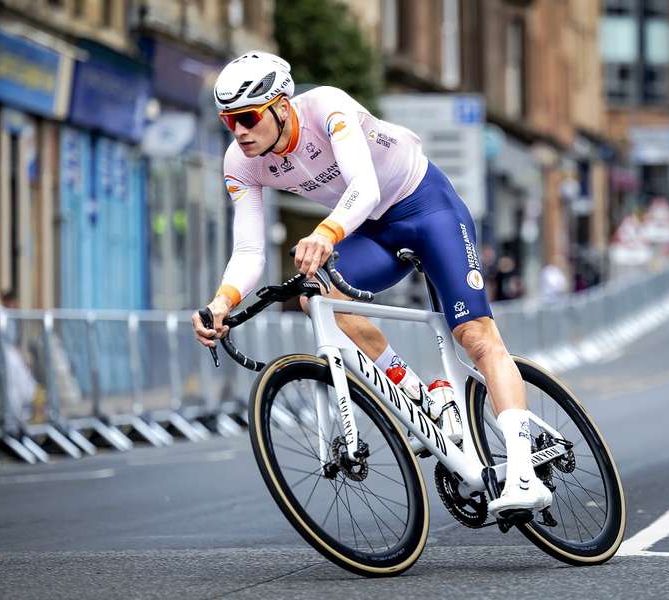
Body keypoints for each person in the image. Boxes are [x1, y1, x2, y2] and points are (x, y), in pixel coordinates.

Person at [191, 52, 551, 514]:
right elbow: (248, 251)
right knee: (315, 295)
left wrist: (325, 233)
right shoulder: (241, 162)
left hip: (425, 208)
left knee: (476, 337)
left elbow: (365, 187)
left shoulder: (325, 107)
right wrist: (222, 302)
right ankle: (424, 399)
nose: (239, 131)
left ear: (282, 106)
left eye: (247, 117)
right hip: (372, 231)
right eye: (229, 121)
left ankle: (523, 472)